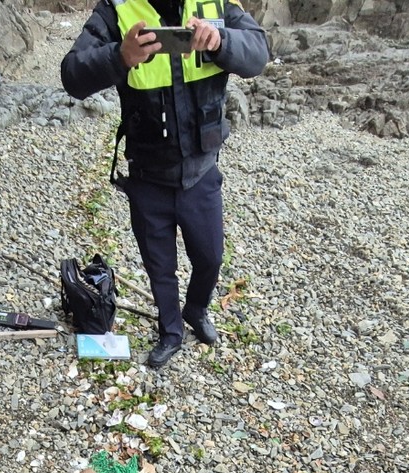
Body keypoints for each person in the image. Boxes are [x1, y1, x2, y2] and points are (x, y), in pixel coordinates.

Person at [61, 0, 269, 369]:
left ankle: (196, 310)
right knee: (160, 269)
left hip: (201, 172)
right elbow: (72, 76)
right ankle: (171, 331)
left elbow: (257, 54)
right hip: (146, 175)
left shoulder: (216, 4)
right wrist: (119, 55)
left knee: (211, 257)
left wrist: (220, 40)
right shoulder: (117, 9)